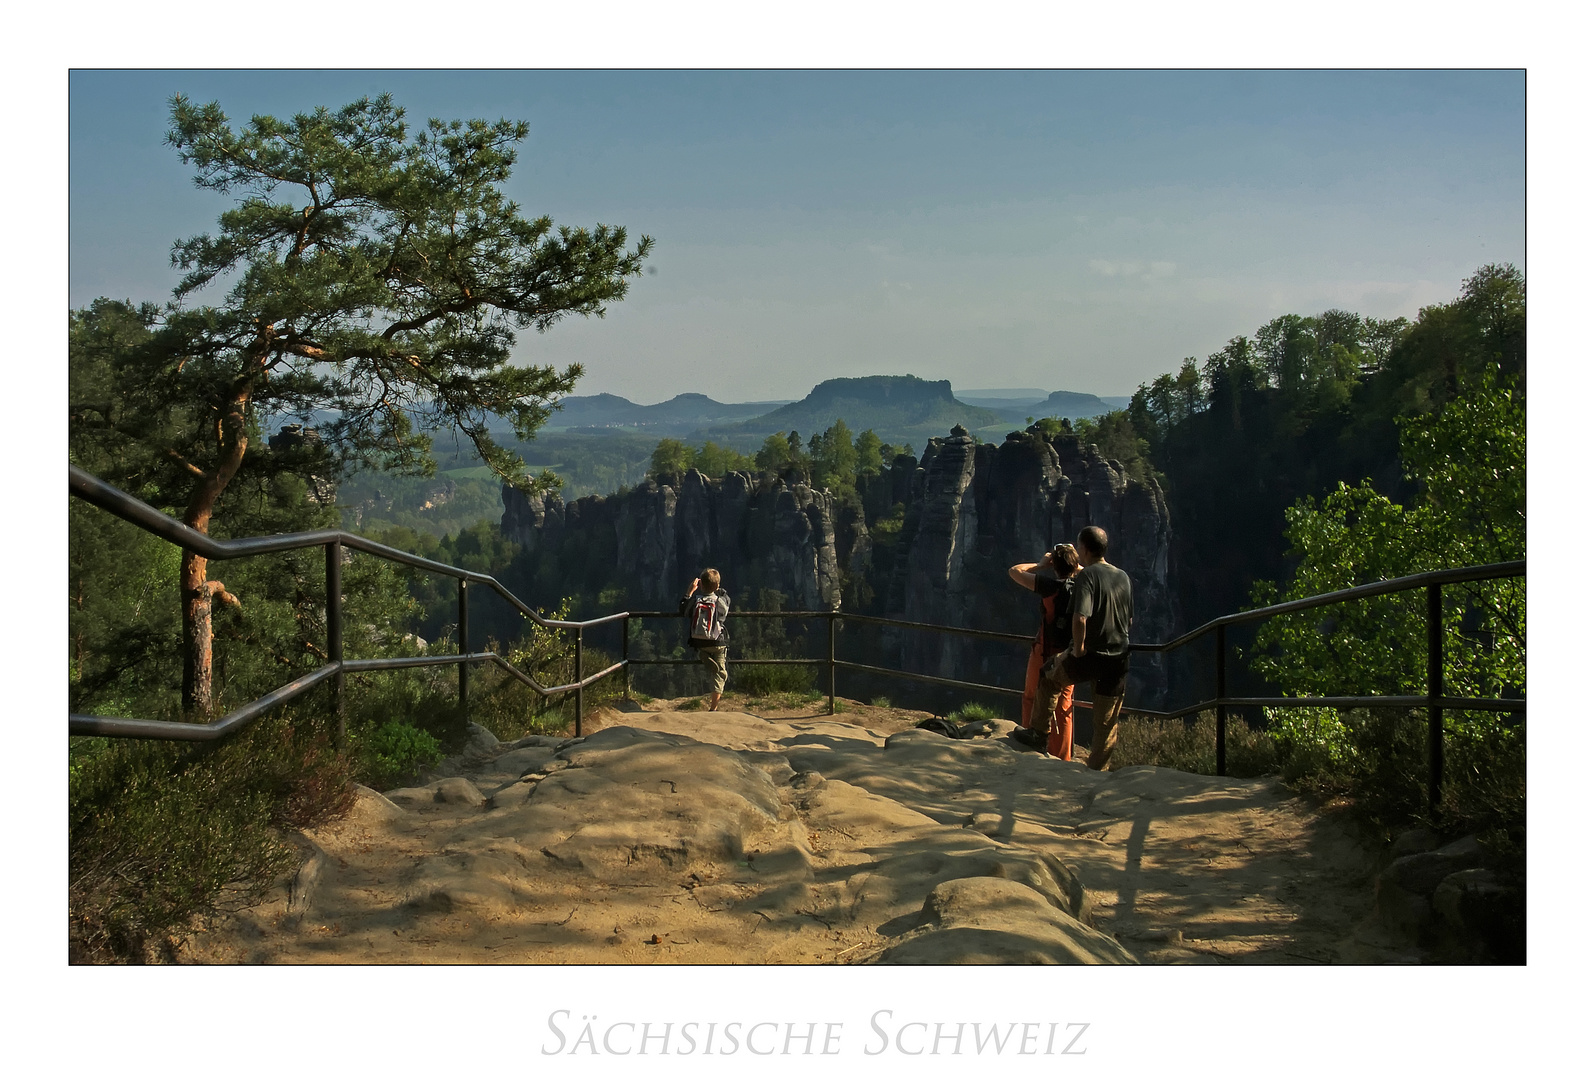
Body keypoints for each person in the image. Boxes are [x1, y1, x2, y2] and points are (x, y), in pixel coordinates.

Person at [1031, 526, 1134, 771]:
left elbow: (1080, 618)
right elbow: (1129, 621)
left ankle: (1038, 735)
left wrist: (1077, 650)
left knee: (1048, 675)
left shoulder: (1087, 576)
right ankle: (1097, 774)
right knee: (1106, 724)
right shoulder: (1123, 577)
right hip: (1119, 659)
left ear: (1085, 549)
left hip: (1091, 655)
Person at [1007, 543, 1080, 758]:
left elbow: (1015, 571)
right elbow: (1096, 572)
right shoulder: (1083, 586)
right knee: (1063, 705)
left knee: (1032, 696)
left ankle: (1032, 745)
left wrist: (1040, 565)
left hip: (1044, 651)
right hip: (1070, 653)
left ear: (1054, 566)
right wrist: (1076, 566)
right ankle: (1062, 756)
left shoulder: (1050, 587)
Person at [679, 568, 731, 711]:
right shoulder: (719, 601)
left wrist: (689, 592)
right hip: (717, 642)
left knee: (705, 650)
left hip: (699, 642)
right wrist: (721, 593)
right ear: (717, 585)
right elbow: (725, 610)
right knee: (720, 673)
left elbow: (683, 610)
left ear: (700, 585)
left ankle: (703, 655)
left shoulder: (696, 601)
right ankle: (713, 708)